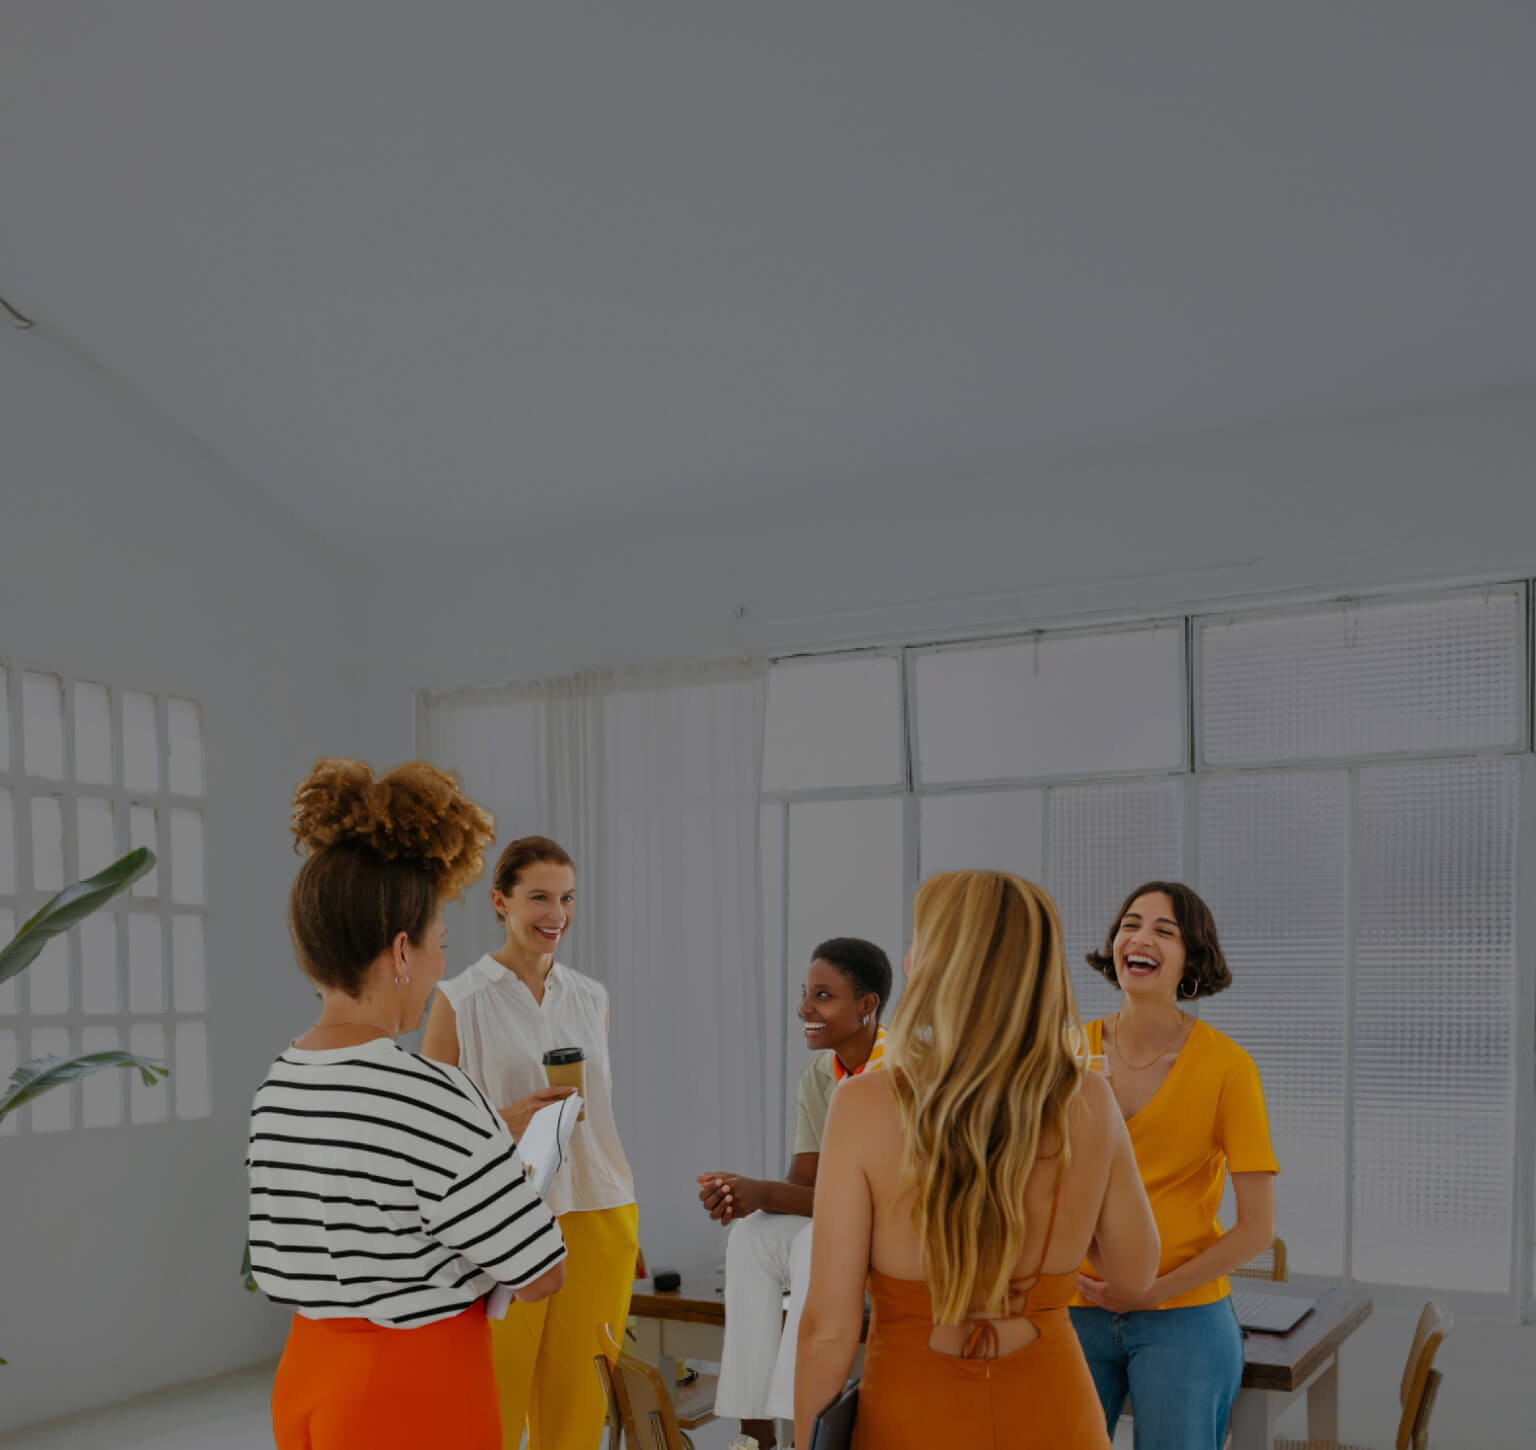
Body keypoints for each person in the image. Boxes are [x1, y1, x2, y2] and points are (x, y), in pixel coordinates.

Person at [249, 760, 567, 1450]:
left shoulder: (279, 1084)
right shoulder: (428, 1091)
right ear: (401, 951)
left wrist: (482, 1139)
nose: (436, 971)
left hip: (307, 1376)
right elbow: (542, 1272)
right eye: (438, 947)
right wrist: (506, 1166)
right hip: (411, 1390)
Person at [795, 872, 1160, 1450]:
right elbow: (1135, 1274)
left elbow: (827, 1330)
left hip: (911, 1418)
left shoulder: (863, 1105)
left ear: (932, 965)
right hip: (1057, 1414)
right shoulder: (1089, 1097)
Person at [422, 835, 637, 1450]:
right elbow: (430, 1129)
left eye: (567, 898)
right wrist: (509, 1118)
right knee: (492, 1402)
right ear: (500, 901)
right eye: (539, 897)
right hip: (504, 1219)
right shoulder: (459, 1001)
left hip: (600, 1210)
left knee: (579, 1410)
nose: (556, 914)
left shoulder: (591, 997)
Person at [1069, 881, 1278, 1450]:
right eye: (1130, 925)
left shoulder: (1228, 1067)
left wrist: (1153, 1292)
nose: (1140, 937)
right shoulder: (1065, 1053)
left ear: (1192, 958)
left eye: (1165, 931)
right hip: (1072, 1304)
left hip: (1182, 1313)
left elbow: (1257, 1227)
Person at [698, 937, 893, 1450]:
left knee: (813, 1245)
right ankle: (754, 1435)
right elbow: (806, 1184)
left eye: (823, 995)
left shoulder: (904, 1072)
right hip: (845, 1226)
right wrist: (745, 1196)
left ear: (867, 1005)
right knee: (753, 1234)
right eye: (806, 993)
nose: (805, 1008)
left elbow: (873, 1201)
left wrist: (762, 1191)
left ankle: (801, 1429)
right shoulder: (817, 1077)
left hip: (897, 1232)